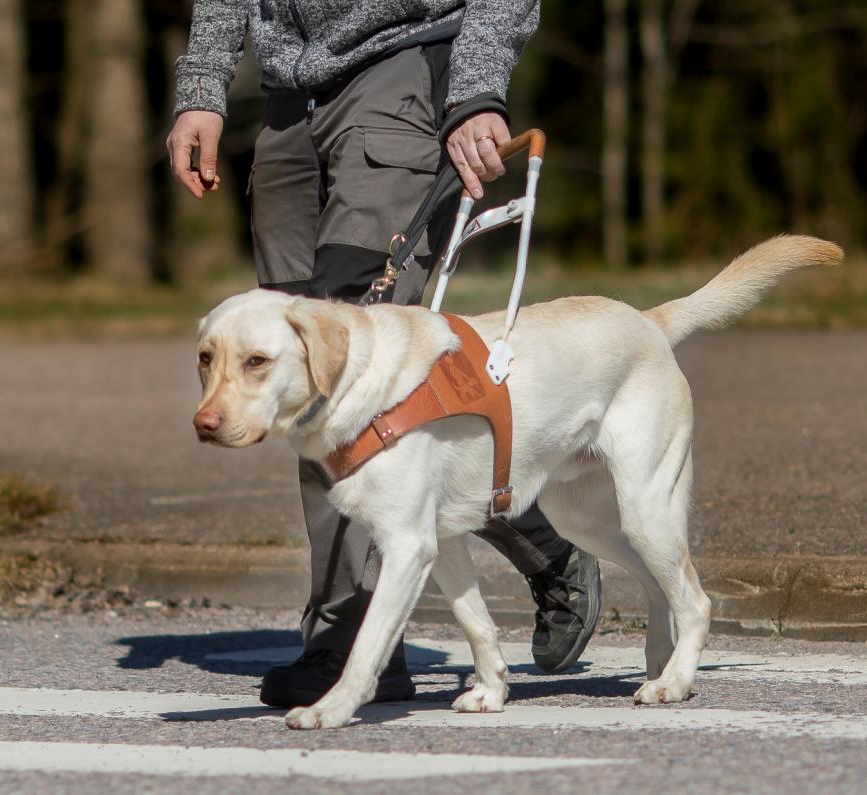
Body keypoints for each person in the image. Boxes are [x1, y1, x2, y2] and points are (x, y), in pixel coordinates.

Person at [167, 0, 601, 708]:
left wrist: (475, 90)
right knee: (293, 385)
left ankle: (348, 637)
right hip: (284, 102)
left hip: (397, 71)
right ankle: (543, 554)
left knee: (355, 381)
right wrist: (204, 86)